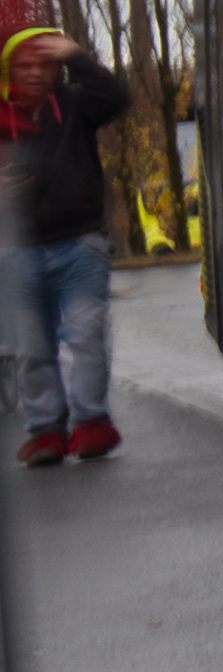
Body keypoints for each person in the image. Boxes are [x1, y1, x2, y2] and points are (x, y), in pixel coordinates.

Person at [2, 31, 128, 465]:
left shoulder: (75, 104)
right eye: (25, 65)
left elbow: (116, 96)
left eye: (45, 63)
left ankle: (92, 421)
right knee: (32, 346)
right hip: (18, 250)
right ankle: (45, 431)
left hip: (79, 243)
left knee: (86, 334)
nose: (36, 72)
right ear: (9, 72)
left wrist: (76, 55)